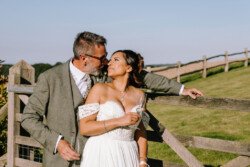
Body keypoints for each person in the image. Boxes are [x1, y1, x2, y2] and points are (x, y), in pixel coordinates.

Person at [21, 31, 202, 167]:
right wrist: (57, 142)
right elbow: (28, 118)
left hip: (97, 158)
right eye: (102, 58)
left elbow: (143, 77)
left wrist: (181, 89)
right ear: (84, 58)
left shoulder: (103, 76)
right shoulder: (50, 78)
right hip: (59, 161)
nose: (107, 62)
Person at [78, 50, 149, 167]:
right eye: (110, 60)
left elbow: (141, 132)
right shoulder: (99, 89)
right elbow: (84, 128)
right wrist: (119, 121)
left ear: (129, 68)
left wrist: (142, 161)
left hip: (129, 153)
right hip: (101, 151)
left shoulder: (140, 96)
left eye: (116, 60)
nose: (109, 63)